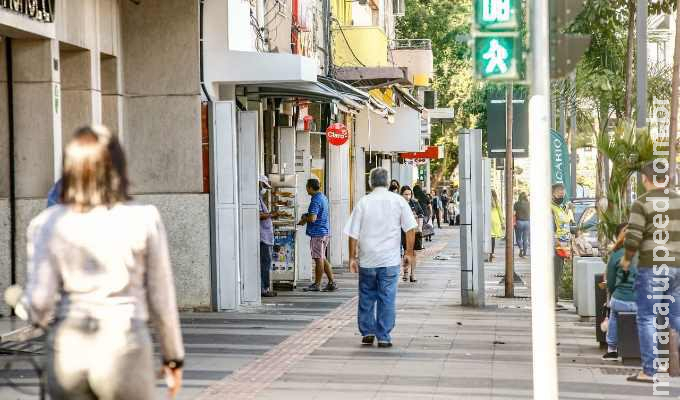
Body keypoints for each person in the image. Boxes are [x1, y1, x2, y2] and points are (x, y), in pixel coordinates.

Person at [15, 125, 184, 399]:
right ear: (118, 167)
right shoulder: (143, 218)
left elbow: (40, 302)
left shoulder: (46, 223)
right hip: (125, 345)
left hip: (68, 350)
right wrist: (173, 356)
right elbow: (161, 299)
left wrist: (28, 310)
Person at [344, 167, 418, 348]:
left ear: (370, 182)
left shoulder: (364, 202)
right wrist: (408, 253)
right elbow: (410, 228)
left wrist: (352, 257)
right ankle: (384, 336)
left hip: (368, 259)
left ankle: (368, 331)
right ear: (387, 182)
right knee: (387, 297)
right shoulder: (399, 201)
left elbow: (353, 233)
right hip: (389, 260)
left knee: (367, 295)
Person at [621, 160, 680, 383]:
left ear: (646, 179)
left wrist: (627, 259)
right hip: (677, 267)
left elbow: (633, 236)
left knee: (647, 318)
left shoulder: (642, 203)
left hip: (653, 266)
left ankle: (649, 371)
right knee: (676, 317)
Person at [601, 223, 637, 361]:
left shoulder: (616, 255)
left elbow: (609, 282)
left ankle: (612, 350)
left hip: (621, 300)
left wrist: (616, 292)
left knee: (614, 316)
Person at [298, 178, 337, 292]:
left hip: (317, 233)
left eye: (306, 186)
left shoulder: (315, 200)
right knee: (322, 258)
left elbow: (313, 218)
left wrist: (304, 219)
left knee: (318, 259)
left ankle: (317, 284)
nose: (306, 188)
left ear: (310, 187)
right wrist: (307, 215)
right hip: (324, 232)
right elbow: (317, 214)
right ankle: (331, 282)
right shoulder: (323, 197)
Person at [551, 183, 572, 304]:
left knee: (558, 273)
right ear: (552, 194)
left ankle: (555, 298)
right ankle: (552, 300)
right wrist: (556, 242)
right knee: (555, 272)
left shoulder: (561, 208)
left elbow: (565, 225)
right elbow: (550, 227)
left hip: (563, 246)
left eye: (563, 193)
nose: (561, 195)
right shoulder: (551, 208)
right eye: (559, 193)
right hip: (556, 246)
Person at [259, 175, 278, 297]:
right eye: (264, 186)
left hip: (266, 236)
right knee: (265, 263)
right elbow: (260, 215)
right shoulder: (255, 198)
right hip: (263, 237)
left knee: (266, 263)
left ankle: (265, 287)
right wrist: (272, 214)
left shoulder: (259, 197)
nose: (265, 189)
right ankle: (264, 289)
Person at [401, 185, 424, 282]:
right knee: (406, 251)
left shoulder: (415, 203)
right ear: (401, 195)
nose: (408, 196)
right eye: (405, 194)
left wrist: (420, 228)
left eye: (409, 194)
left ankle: (413, 274)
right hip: (403, 231)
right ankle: (406, 272)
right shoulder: (399, 204)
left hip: (414, 231)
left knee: (414, 252)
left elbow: (421, 214)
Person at [489, 189, 504, 262]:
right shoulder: (496, 201)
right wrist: (502, 222)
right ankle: (492, 253)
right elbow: (500, 212)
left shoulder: (486, 201)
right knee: (493, 237)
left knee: (488, 237)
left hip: (488, 220)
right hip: (495, 220)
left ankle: (488, 252)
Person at [513, 192, 530, 257]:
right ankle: (525, 252)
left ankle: (521, 248)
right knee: (525, 238)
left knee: (518, 238)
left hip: (519, 222)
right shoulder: (529, 204)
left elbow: (514, 213)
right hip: (527, 222)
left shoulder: (517, 204)